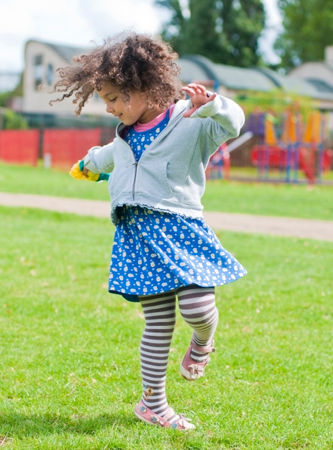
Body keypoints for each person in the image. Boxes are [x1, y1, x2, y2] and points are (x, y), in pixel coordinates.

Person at [51, 32, 247, 431]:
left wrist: (213, 106)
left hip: (181, 231)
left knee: (196, 309)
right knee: (157, 323)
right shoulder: (124, 136)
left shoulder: (191, 123)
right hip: (137, 237)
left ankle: (203, 341)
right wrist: (89, 164)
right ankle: (152, 404)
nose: (108, 108)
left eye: (114, 97)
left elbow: (234, 123)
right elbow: (109, 156)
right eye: (104, 99)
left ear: (143, 88)